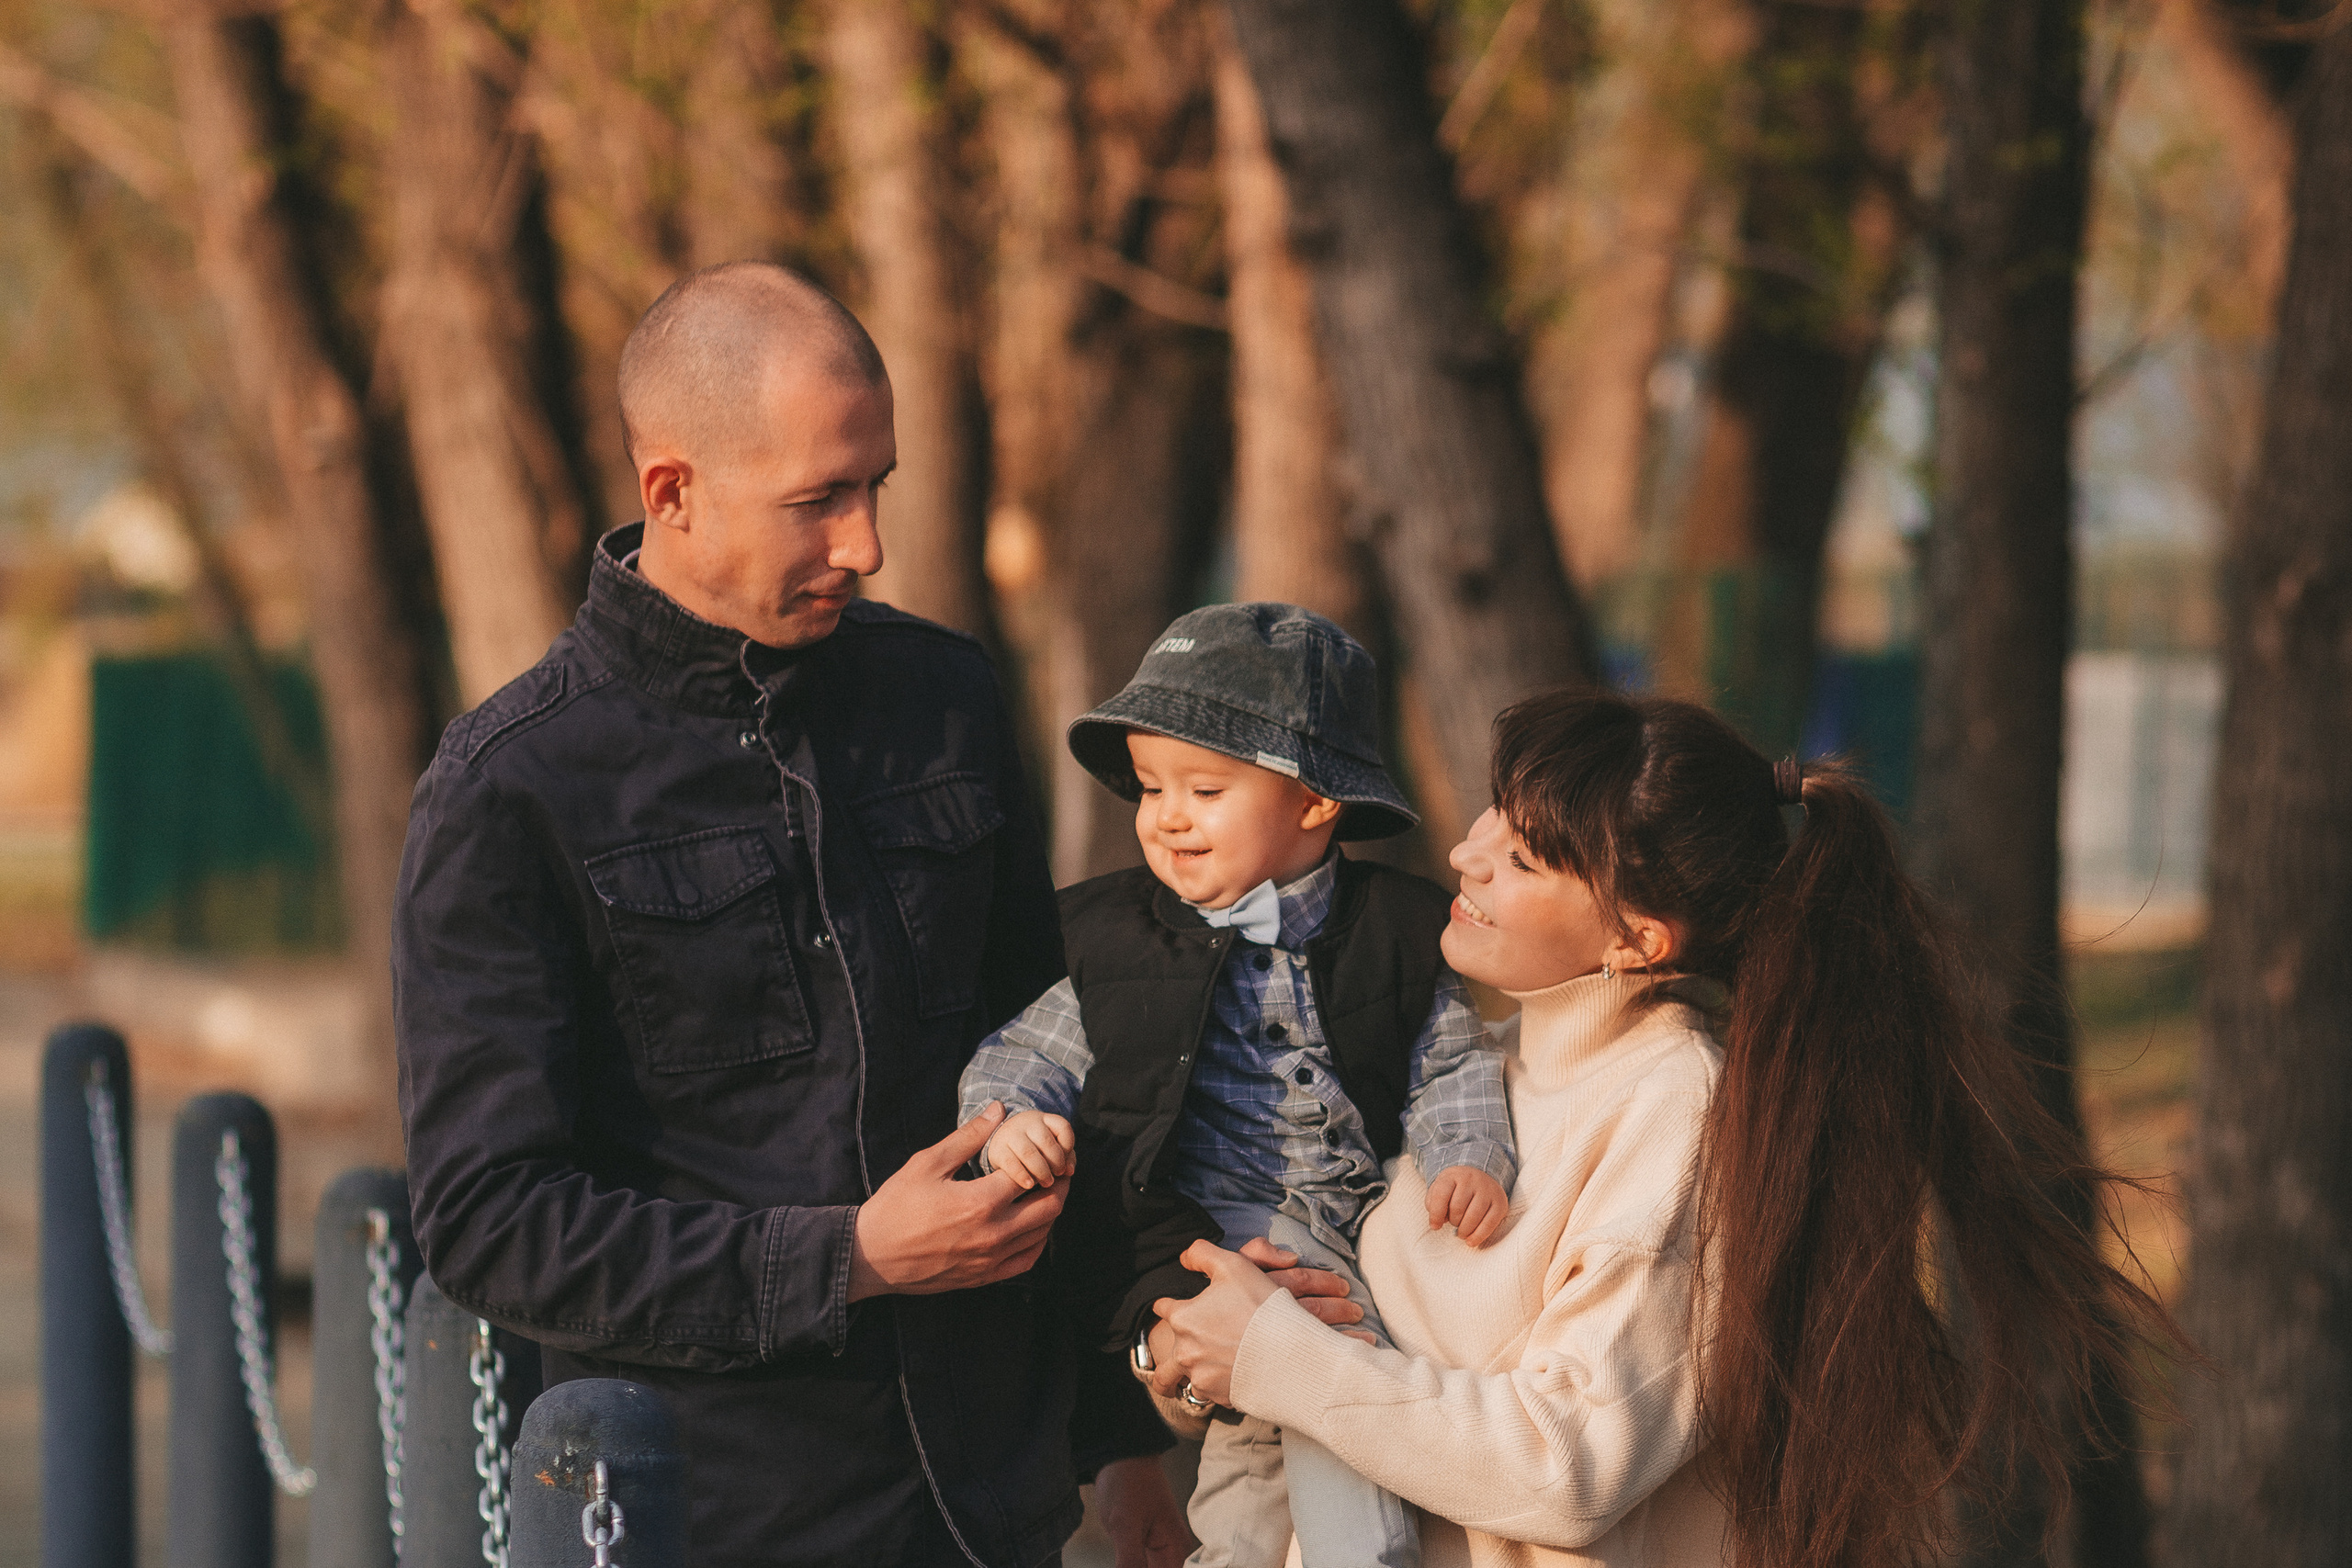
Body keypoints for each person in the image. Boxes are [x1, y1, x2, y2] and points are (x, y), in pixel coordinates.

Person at [393, 261, 1190, 1566]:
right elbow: (491, 1220)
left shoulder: (945, 697)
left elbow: (1054, 1060)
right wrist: (848, 1258)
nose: (865, 544)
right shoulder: (511, 788)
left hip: (991, 1504)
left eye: (878, 485)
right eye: (819, 499)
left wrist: (1116, 1431)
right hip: (708, 1518)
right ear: (672, 491)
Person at [1144, 692, 2176, 1568]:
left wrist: (1282, 1356)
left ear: (1638, 938)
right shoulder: (1471, 1068)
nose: (1466, 854)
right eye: (1493, 815)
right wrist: (1205, 1348)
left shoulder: (1675, 1116)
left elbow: (1567, 1466)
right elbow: (1326, 1379)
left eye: (1523, 857)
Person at [959, 604, 1518, 1568]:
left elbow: (1452, 1063)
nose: (1166, 816)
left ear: (1315, 801)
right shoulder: (1107, 936)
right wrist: (1006, 1123)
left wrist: (1466, 1154)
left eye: (1205, 790)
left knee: (1260, 1439)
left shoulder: (1398, 927)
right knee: (1327, 1351)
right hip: (1195, 1231)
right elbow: (1024, 1054)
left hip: (1362, 1223)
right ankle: (1364, 1557)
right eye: (1149, 789)